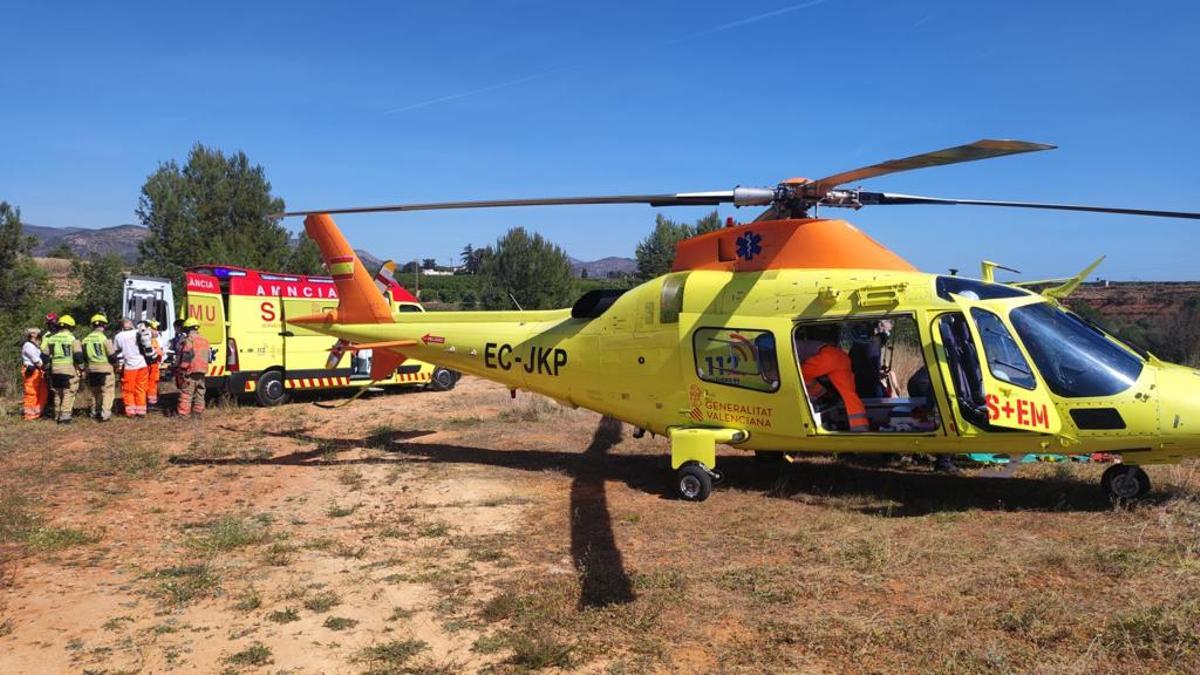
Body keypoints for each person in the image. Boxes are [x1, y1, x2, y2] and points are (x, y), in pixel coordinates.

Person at [796, 325, 869, 432]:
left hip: (828, 357)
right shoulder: (804, 344)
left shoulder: (792, 344)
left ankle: (820, 397)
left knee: (798, 376)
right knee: (850, 395)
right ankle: (860, 428)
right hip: (841, 356)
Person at [41, 314, 84, 424]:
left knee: (57, 392)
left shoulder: (52, 338)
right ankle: (65, 417)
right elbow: (78, 356)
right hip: (68, 369)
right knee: (68, 392)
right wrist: (82, 368)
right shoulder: (72, 338)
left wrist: (46, 368)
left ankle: (57, 415)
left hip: (55, 369)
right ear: (70, 327)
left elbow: (44, 356)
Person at [81, 314, 119, 422]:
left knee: (95, 392)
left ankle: (94, 412)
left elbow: (83, 356)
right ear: (104, 325)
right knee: (107, 392)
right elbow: (112, 356)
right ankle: (105, 414)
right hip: (105, 369)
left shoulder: (85, 340)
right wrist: (116, 366)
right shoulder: (105, 339)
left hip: (92, 369)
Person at [850, 319, 894, 400]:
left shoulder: (856, 345)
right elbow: (871, 371)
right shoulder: (874, 343)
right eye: (887, 331)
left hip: (859, 385)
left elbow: (853, 366)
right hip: (870, 388)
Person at [113, 319, 149, 417]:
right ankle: (141, 411)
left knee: (128, 390)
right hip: (142, 364)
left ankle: (131, 411)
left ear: (121, 326)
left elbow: (116, 350)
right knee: (141, 388)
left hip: (130, 366)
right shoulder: (138, 332)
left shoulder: (118, 336)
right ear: (131, 324)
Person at [176, 318, 211, 418]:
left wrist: (182, 368)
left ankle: (184, 415)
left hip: (190, 371)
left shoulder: (189, 340)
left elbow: (187, 355)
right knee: (200, 392)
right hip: (202, 370)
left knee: (186, 393)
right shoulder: (204, 340)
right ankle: (198, 413)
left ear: (187, 329)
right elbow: (208, 356)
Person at [21, 328, 48, 420]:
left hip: (38, 371)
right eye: (38, 332)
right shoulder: (28, 345)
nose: (40, 334)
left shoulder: (35, 345)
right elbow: (35, 360)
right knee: (31, 393)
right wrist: (44, 368)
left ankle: (37, 413)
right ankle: (29, 415)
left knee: (42, 392)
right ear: (32, 334)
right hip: (32, 371)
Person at [144, 319, 164, 409]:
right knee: (150, 384)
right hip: (151, 365)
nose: (157, 331)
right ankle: (150, 403)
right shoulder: (149, 341)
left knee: (152, 384)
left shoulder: (154, 340)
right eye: (155, 329)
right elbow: (155, 353)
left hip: (154, 365)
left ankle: (151, 402)